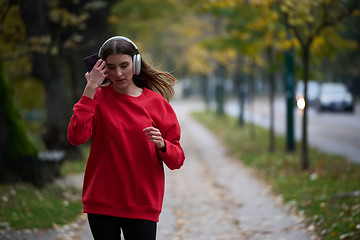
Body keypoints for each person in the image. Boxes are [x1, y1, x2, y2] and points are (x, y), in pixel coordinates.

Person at [67, 36, 185, 240]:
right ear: (102, 69)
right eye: (111, 67)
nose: (118, 73)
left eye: (124, 65)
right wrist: (90, 90)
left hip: (142, 203)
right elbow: (76, 137)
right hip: (101, 201)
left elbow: (177, 160)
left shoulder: (156, 103)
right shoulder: (97, 98)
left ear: (136, 64)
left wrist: (163, 144)